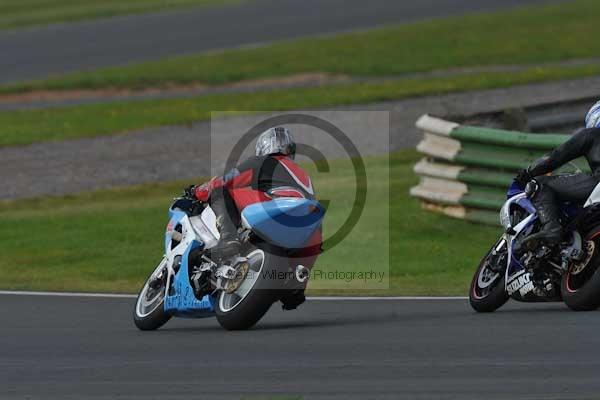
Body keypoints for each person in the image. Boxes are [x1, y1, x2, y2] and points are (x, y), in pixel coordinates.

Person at [185, 126, 317, 259]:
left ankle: (228, 239)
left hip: (280, 204)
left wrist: (197, 191)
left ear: (264, 147)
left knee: (219, 191)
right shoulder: (304, 174)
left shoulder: (262, 161)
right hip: (308, 226)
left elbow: (224, 181)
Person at [515, 100, 600, 249]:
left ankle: (551, 230)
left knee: (540, 183)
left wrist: (530, 172)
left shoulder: (591, 135)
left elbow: (556, 157)